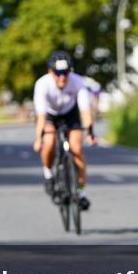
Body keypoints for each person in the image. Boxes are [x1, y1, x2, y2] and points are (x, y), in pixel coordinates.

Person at [32, 50, 97, 210]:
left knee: (76, 149)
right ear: (50, 72)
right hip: (50, 115)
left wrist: (90, 133)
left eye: (65, 72)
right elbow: (41, 116)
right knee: (49, 143)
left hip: (70, 113)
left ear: (70, 72)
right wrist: (39, 139)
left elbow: (85, 111)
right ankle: (48, 174)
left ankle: (81, 192)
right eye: (58, 73)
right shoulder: (42, 84)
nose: (62, 77)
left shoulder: (77, 82)